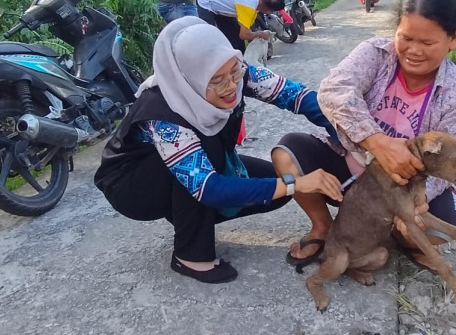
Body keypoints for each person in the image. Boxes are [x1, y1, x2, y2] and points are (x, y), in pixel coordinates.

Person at [94, 17, 342, 283]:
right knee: (210, 164)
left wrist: (347, 133)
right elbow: (208, 186)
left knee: (273, 191)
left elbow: (297, 97)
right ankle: (191, 256)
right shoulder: (163, 113)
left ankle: (190, 216)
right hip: (132, 187)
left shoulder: (235, 73)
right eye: (217, 81)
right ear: (190, 79)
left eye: (234, 72)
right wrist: (296, 183)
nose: (231, 86)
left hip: (194, 167)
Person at [271, 0, 456, 271]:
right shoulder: (375, 53)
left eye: (428, 43)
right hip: (350, 170)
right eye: (406, 38)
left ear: (453, 39)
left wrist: (416, 201)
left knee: (434, 228)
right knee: (288, 153)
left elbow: (452, 166)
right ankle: (324, 228)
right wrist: (375, 141)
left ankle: (393, 235)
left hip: (406, 189)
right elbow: (333, 90)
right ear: (396, 29)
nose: (414, 50)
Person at [196, 0, 284, 53]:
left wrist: (254, 35)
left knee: (236, 40)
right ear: (269, 10)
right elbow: (244, 35)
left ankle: (239, 65)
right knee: (210, 38)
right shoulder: (249, 7)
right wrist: (262, 34)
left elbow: (246, 31)